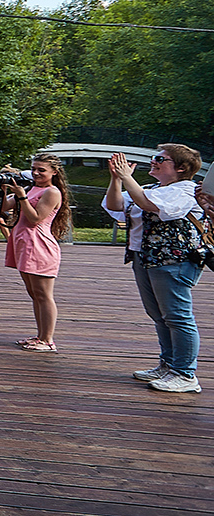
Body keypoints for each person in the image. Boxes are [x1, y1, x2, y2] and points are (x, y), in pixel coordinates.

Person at [105, 146, 205, 393]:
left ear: (181, 167)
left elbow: (150, 206)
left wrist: (127, 177)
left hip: (173, 260)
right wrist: (116, 178)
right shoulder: (150, 188)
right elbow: (115, 204)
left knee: (178, 317)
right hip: (145, 258)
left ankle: (185, 373)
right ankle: (168, 364)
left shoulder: (185, 190)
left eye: (160, 159)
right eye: (154, 158)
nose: (154, 161)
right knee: (159, 315)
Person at [2, 155, 71, 352]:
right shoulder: (32, 188)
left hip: (39, 244)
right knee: (34, 293)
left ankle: (48, 340)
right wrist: (6, 188)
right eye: (33, 168)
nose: (35, 173)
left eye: (41, 170)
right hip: (23, 243)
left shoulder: (52, 192)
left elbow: (35, 219)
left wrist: (22, 196)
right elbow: (5, 207)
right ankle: (40, 336)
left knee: (44, 294)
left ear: (54, 172)